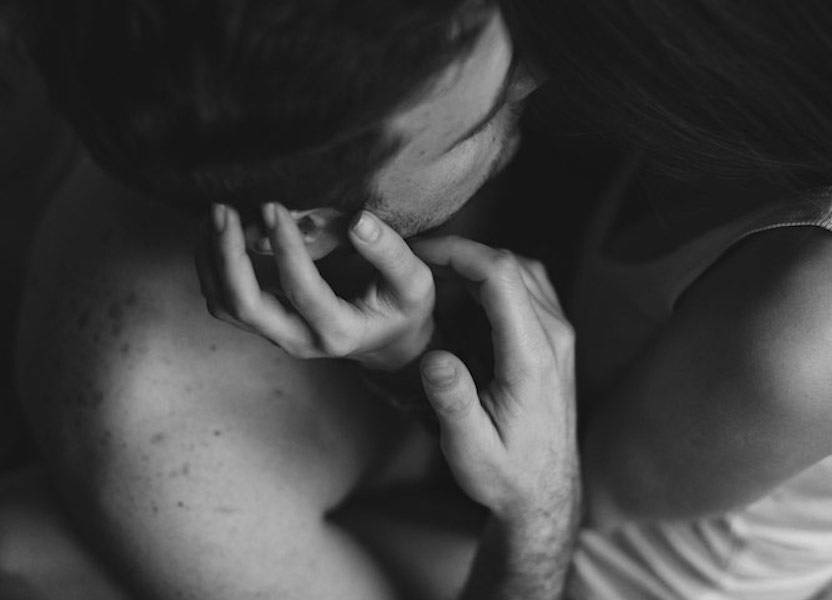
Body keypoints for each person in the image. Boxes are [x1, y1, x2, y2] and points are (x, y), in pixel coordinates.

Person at [209, 0, 832, 598]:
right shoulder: (719, 98)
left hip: (611, 571)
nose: (531, 71)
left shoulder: (823, 320)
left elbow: (559, 498)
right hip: (623, 453)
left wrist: (412, 361)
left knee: (237, 515)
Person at [7, 1, 582, 599]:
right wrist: (537, 505)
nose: (535, 73)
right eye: (481, 119)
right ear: (305, 228)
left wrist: (412, 358)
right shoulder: (172, 460)